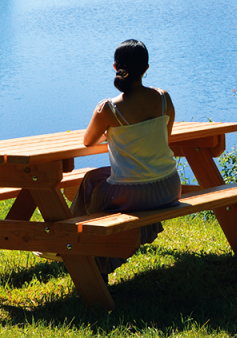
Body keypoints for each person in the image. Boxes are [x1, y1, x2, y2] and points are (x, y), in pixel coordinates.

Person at [68, 39, 181, 276]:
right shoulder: (164, 99)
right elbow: (164, 140)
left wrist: (111, 132)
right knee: (91, 178)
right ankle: (80, 245)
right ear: (146, 68)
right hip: (169, 186)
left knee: (91, 187)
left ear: (115, 67)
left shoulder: (109, 108)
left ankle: (74, 245)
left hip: (134, 193)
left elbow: (88, 141)